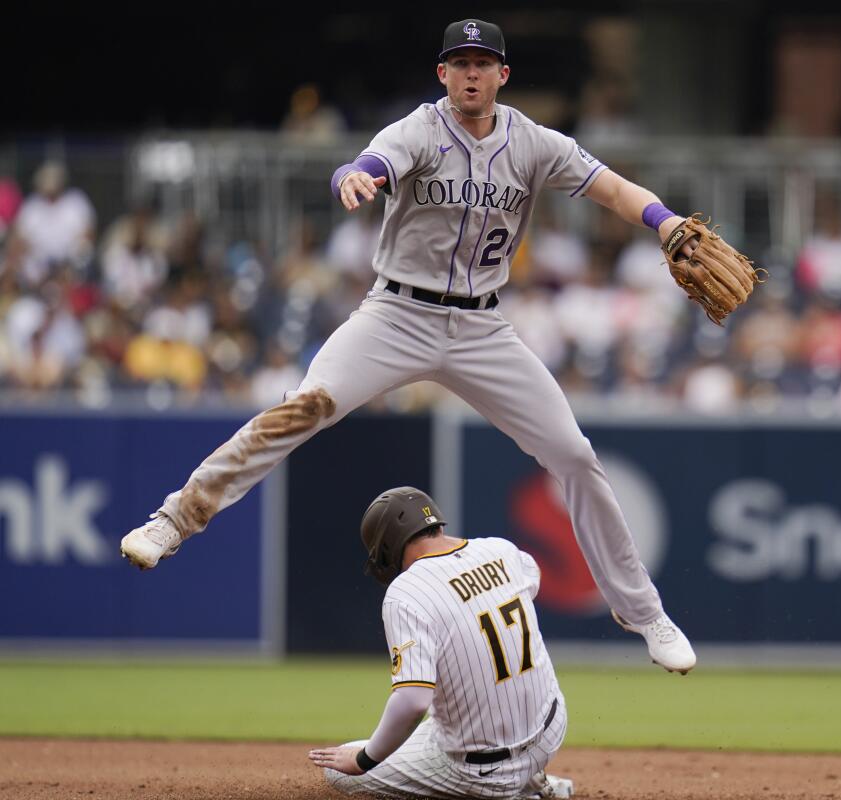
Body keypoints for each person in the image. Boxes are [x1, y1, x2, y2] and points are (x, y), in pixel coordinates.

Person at [119, 18, 696, 674]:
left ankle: (643, 610)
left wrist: (666, 220)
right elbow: (366, 163)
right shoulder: (420, 129)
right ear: (442, 73)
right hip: (396, 314)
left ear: (503, 76)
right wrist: (354, 179)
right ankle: (176, 518)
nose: (472, 73)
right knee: (302, 406)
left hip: (482, 328)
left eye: (484, 63)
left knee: (574, 453)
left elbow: (614, 188)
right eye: (460, 62)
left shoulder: (534, 144)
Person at [309, 486, 573, 798]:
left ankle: (515, 792)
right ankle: (536, 778)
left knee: (340, 770)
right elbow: (534, 577)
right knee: (447, 712)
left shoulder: (407, 591)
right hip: (551, 731)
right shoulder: (500, 550)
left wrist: (365, 759)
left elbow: (413, 701)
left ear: (388, 544)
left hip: (482, 772)